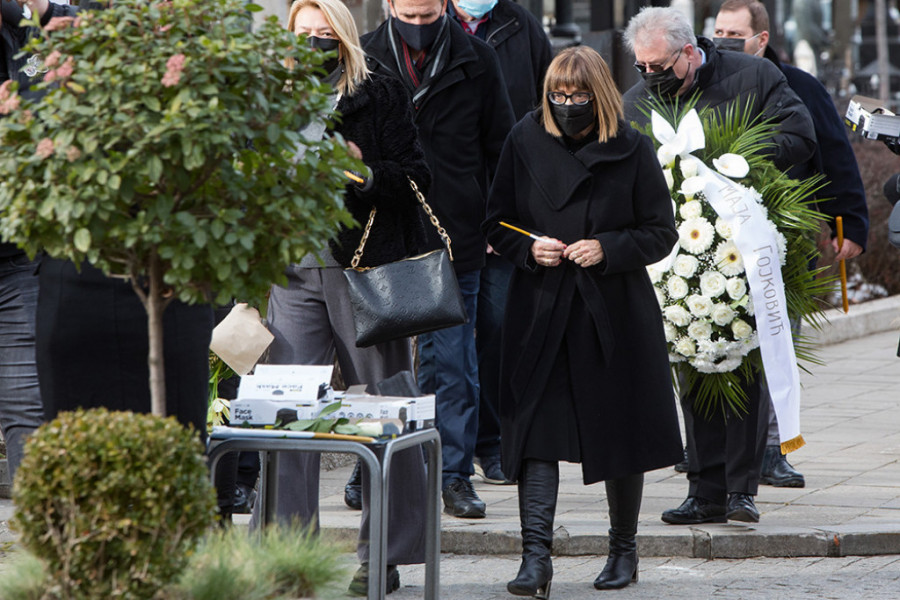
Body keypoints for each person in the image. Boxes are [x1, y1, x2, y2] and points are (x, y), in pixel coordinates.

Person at [483, 46, 683, 595]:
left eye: (578, 96)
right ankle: (535, 559)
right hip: (541, 307)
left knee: (619, 428)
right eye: (558, 95)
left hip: (612, 310)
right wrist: (530, 248)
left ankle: (624, 550)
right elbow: (497, 221)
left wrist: (608, 247)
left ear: (600, 96)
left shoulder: (632, 147)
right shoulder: (524, 139)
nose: (567, 105)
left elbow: (660, 231)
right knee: (534, 431)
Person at [258, 0, 430, 595]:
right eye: (302, 33)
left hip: (365, 270)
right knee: (289, 416)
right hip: (291, 271)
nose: (312, 43)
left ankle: (385, 554)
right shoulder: (272, 96)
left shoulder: (378, 92)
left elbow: (415, 176)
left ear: (344, 35)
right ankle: (288, 554)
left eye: (323, 33)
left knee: (388, 411)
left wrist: (366, 173)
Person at [622, 6, 817, 525]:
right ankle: (704, 490)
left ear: (689, 52)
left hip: (749, 245)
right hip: (675, 253)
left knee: (744, 363)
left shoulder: (754, 76)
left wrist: (731, 160)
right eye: (641, 67)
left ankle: (740, 489)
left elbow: (801, 136)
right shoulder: (637, 101)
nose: (650, 77)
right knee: (694, 361)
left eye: (659, 66)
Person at [362, 0, 515, 518]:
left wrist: (495, 219)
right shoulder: (365, 56)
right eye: (409, 15)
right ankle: (376, 467)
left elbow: (500, 146)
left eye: (428, 16)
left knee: (453, 361)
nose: (418, 25)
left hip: (457, 229)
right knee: (378, 364)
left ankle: (452, 474)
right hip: (382, 229)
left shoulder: (477, 57)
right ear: (389, 6)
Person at [713, 0, 869, 489]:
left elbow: (834, 155)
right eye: (718, 31)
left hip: (784, 239)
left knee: (778, 342)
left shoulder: (799, 86)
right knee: (711, 338)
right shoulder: (703, 83)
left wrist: (850, 224)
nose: (723, 41)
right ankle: (710, 448)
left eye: (734, 33)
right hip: (713, 239)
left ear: (761, 39)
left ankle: (773, 448)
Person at [446, 0, 551, 487]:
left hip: (508, 205)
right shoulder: (425, 27)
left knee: (498, 330)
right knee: (444, 343)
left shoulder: (518, 23)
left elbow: (543, 106)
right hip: (450, 212)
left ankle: (494, 443)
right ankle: (445, 450)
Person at [0, 0, 80, 485]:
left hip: (18, 261)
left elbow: (102, 36)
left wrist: (46, 10)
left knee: (28, 408)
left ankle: (36, 522)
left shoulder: (28, 34)